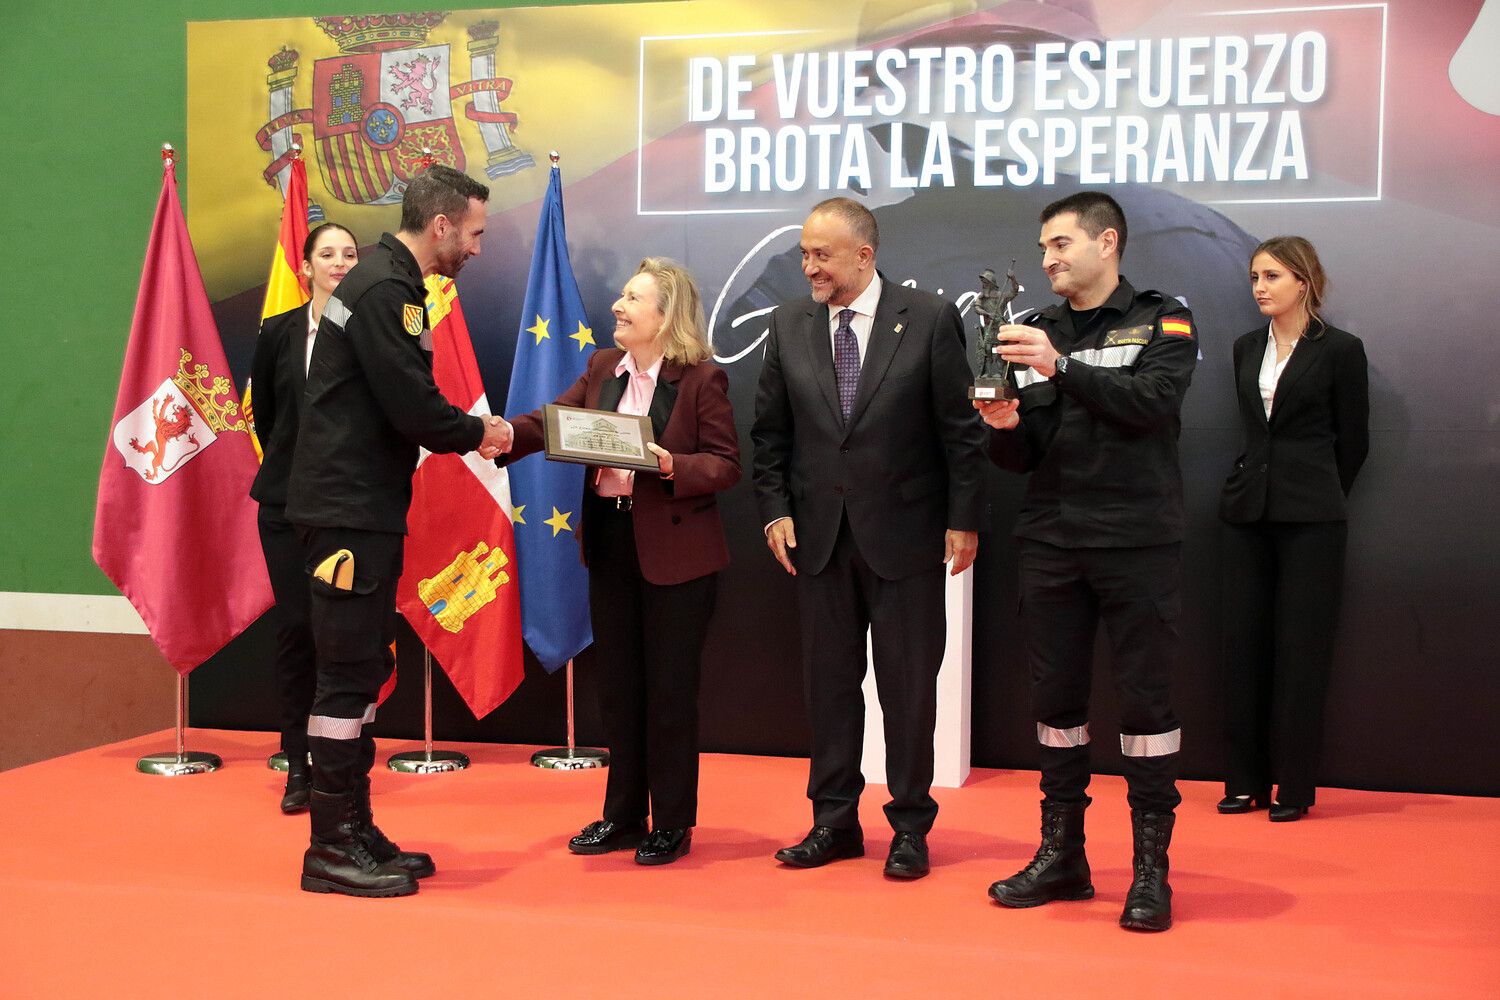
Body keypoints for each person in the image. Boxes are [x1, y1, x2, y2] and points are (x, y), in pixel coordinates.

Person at [285, 165, 512, 898]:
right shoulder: (386, 289)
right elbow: (415, 411)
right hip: (347, 515)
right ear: (442, 225)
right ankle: (330, 846)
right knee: (346, 680)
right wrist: (485, 431)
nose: (476, 249)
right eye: (474, 233)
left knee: (362, 676)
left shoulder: (388, 283)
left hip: (362, 511)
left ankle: (356, 827)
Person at [976, 191, 1195, 932]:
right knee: (1056, 709)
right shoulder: (1033, 329)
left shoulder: (1164, 317)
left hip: (1137, 539)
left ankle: (1149, 873)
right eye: (1042, 248)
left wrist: (1061, 367)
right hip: (1051, 540)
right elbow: (1023, 455)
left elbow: (1152, 403)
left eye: (1061, 244)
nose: (1048, 260)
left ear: (1107, 243)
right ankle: (1063, 856)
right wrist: (1004, 426)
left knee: (1146, 711)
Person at [752, 197, 987, 881]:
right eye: (804, 254)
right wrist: (773, 510)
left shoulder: (931, 319)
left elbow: (960, 431)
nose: (808, 266)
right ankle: (833, 822)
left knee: (908, 689)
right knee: (828, 688)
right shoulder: (788, 322)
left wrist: (964, 518)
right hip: (818, 540)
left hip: (908, 539)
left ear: (864, 254)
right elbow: (769, 433)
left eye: (821, 254)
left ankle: (910, 826)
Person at [501, 258, 740, 866]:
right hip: (610, 544)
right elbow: (552, 422)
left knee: (669, 692)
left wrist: (669, 465)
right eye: (622, 296)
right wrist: (501, 434)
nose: (617, 307)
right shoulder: (602, 368)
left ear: (665, 316)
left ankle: (673, 823)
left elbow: (726, 464)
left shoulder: (701, 379)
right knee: (621, 689)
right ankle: (624, 816)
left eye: (632, 299)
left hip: (678, 557)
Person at [1217, 236, 1369, 822]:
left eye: (1272, 276)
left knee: (1302, 653)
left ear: (1303, 282)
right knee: (1242, 648)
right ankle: (1243, 780)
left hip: (1313, 518)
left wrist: (1319, 492)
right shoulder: (1244, 347)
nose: (1259, 287)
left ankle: (1295, 788)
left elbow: (1354, 442)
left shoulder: (1341, 350)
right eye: (1254, 276)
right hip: (1244, 514)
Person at [249, 221, 359, 814]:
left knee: (340, 636)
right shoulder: (276, 333)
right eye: (328, 254)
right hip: (287, 508)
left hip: (345, 511)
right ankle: (298, 762)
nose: (340, 263)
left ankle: (341, 761)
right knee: (297, 629)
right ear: (306, 268)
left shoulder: (371, 331)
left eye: (349, 255)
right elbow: (268, 419)